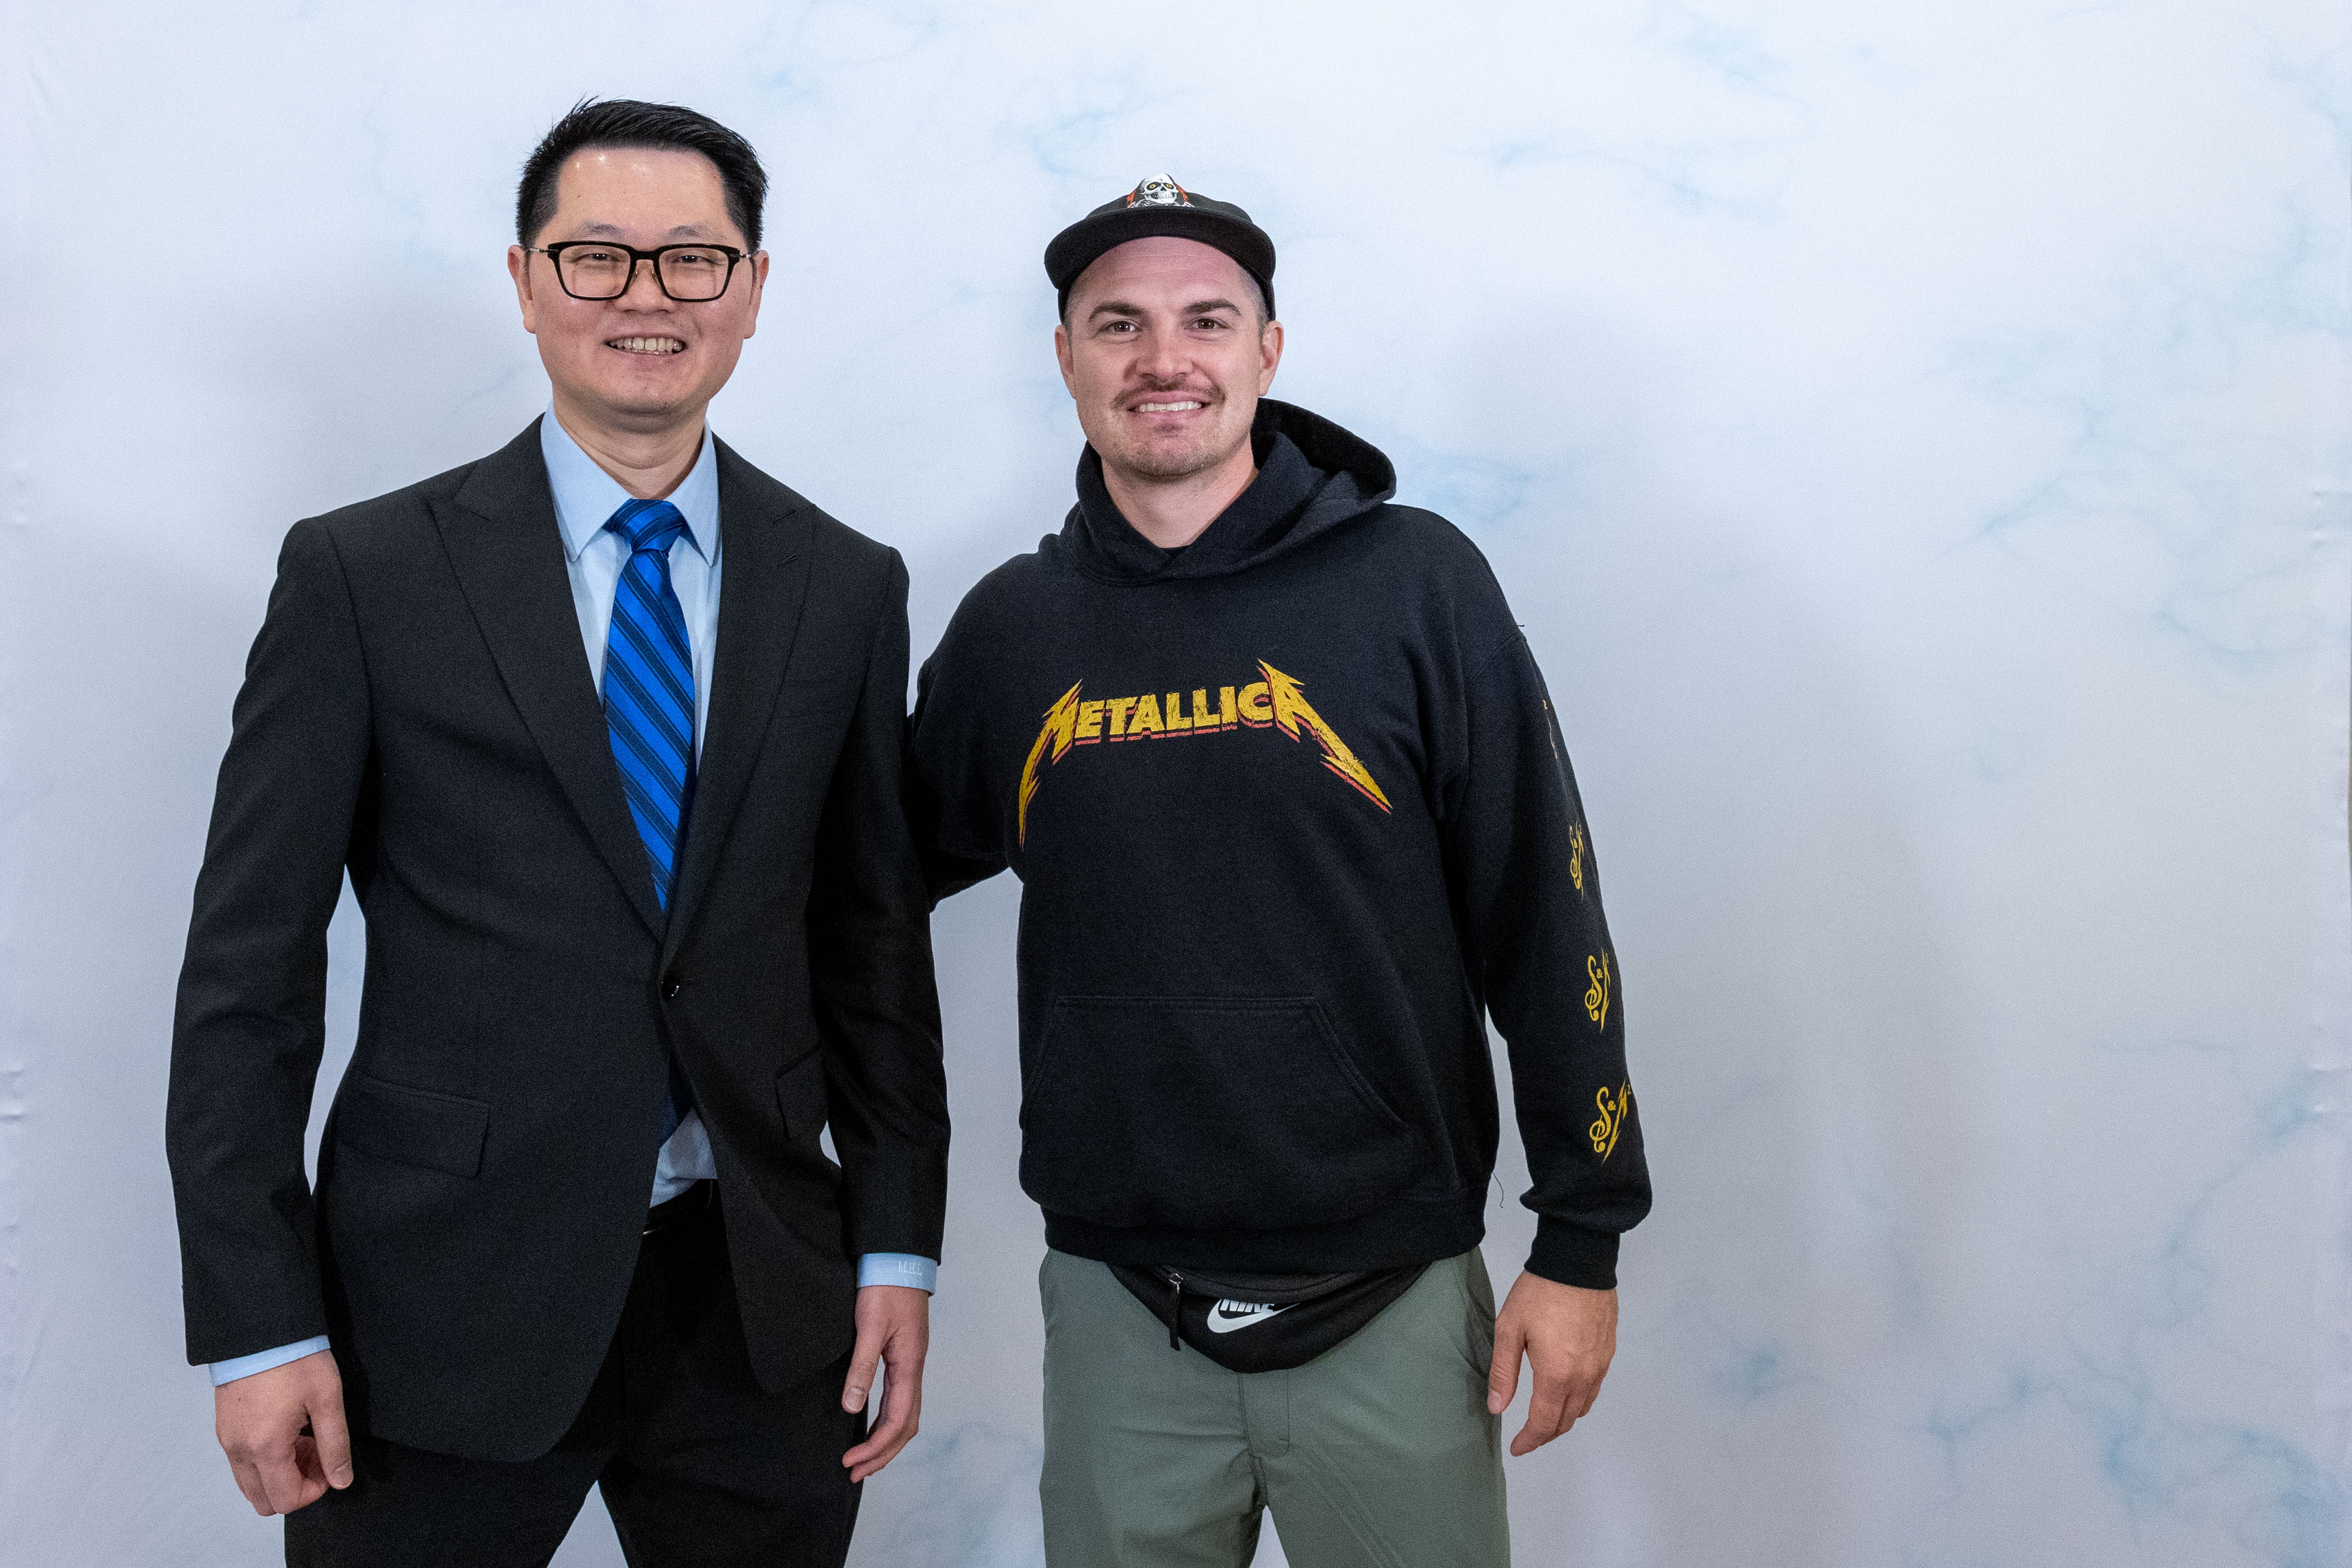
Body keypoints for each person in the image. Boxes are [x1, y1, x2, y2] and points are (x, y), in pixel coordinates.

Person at [165, 99, 948, 1567]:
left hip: (763, 1305)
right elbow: (246, 977)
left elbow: (873, 953)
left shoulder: (847, 585)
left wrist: (898, 1245)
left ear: (752, 291)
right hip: (432, 1307)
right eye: (596, 256)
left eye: (692, 258)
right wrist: (258, 1320)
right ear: (526, 282)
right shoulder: (364, 575)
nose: (646, 296)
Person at [907, 176, 1650, 1565]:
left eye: (1205, 320)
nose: (1163, 358)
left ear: (1267, 349)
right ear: (1065, 357)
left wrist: (1581, 1236)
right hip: (1117, 1296)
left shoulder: (1414, 583)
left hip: (1391, 1286)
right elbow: (859, 890)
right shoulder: (1012, 629)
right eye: (1117, 324)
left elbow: (1543, 915)